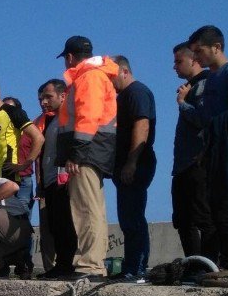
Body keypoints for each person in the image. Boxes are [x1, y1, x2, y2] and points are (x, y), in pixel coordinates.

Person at [55, 36, 120, 278]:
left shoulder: (89, 77)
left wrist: (76, 155)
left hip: (87, 152)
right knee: (90, 207)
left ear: (70, 57)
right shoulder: (95, 75)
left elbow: (87, 118)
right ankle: (92, 263)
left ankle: (90, 265)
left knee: (85, 209)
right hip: (94, 151)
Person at [186, 24, 228, 271]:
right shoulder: (211, 79)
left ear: (216, 47)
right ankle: (227, 261)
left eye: (199, 51)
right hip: (216, 152)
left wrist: (222, 127)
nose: (196, 57)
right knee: (218, 208)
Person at [0, 79, 44, 277]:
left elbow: (38, 137)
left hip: (8, 179)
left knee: (16, 222)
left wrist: (25, 164)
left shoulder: (12, 112)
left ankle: (24, 262)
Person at [111, 55, 157, 280]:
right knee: (127, 218)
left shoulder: (137, 92)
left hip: (136, 163)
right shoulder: (123, 96)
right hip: (124, 165)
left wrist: (132, 161)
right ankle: (130, 266)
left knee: (133, 217)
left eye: (111, 75)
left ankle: (137, 268)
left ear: (124, 71)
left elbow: (142, 125)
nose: (109, 81)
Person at [171, 42, 217, 260]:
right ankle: (192, 265)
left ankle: (206, 265)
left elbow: (203, 120)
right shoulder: (189, 88)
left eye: (179, 61)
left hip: (198, 162)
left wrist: (182, 103)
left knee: (203, 217)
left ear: (194, 60)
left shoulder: (206, 85)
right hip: (182, 165)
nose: (174, 67)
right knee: (183, 219)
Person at [33, 79, 77, 278]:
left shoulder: (70, 118)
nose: (44, 102)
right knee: (55, 225)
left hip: (63, 181)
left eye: (48, 97)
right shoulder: (51, 121)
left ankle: (67, 265)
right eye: (42, 98)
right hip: (50, 181)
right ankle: (61, 265)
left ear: (62, 96)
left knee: (66, 224)